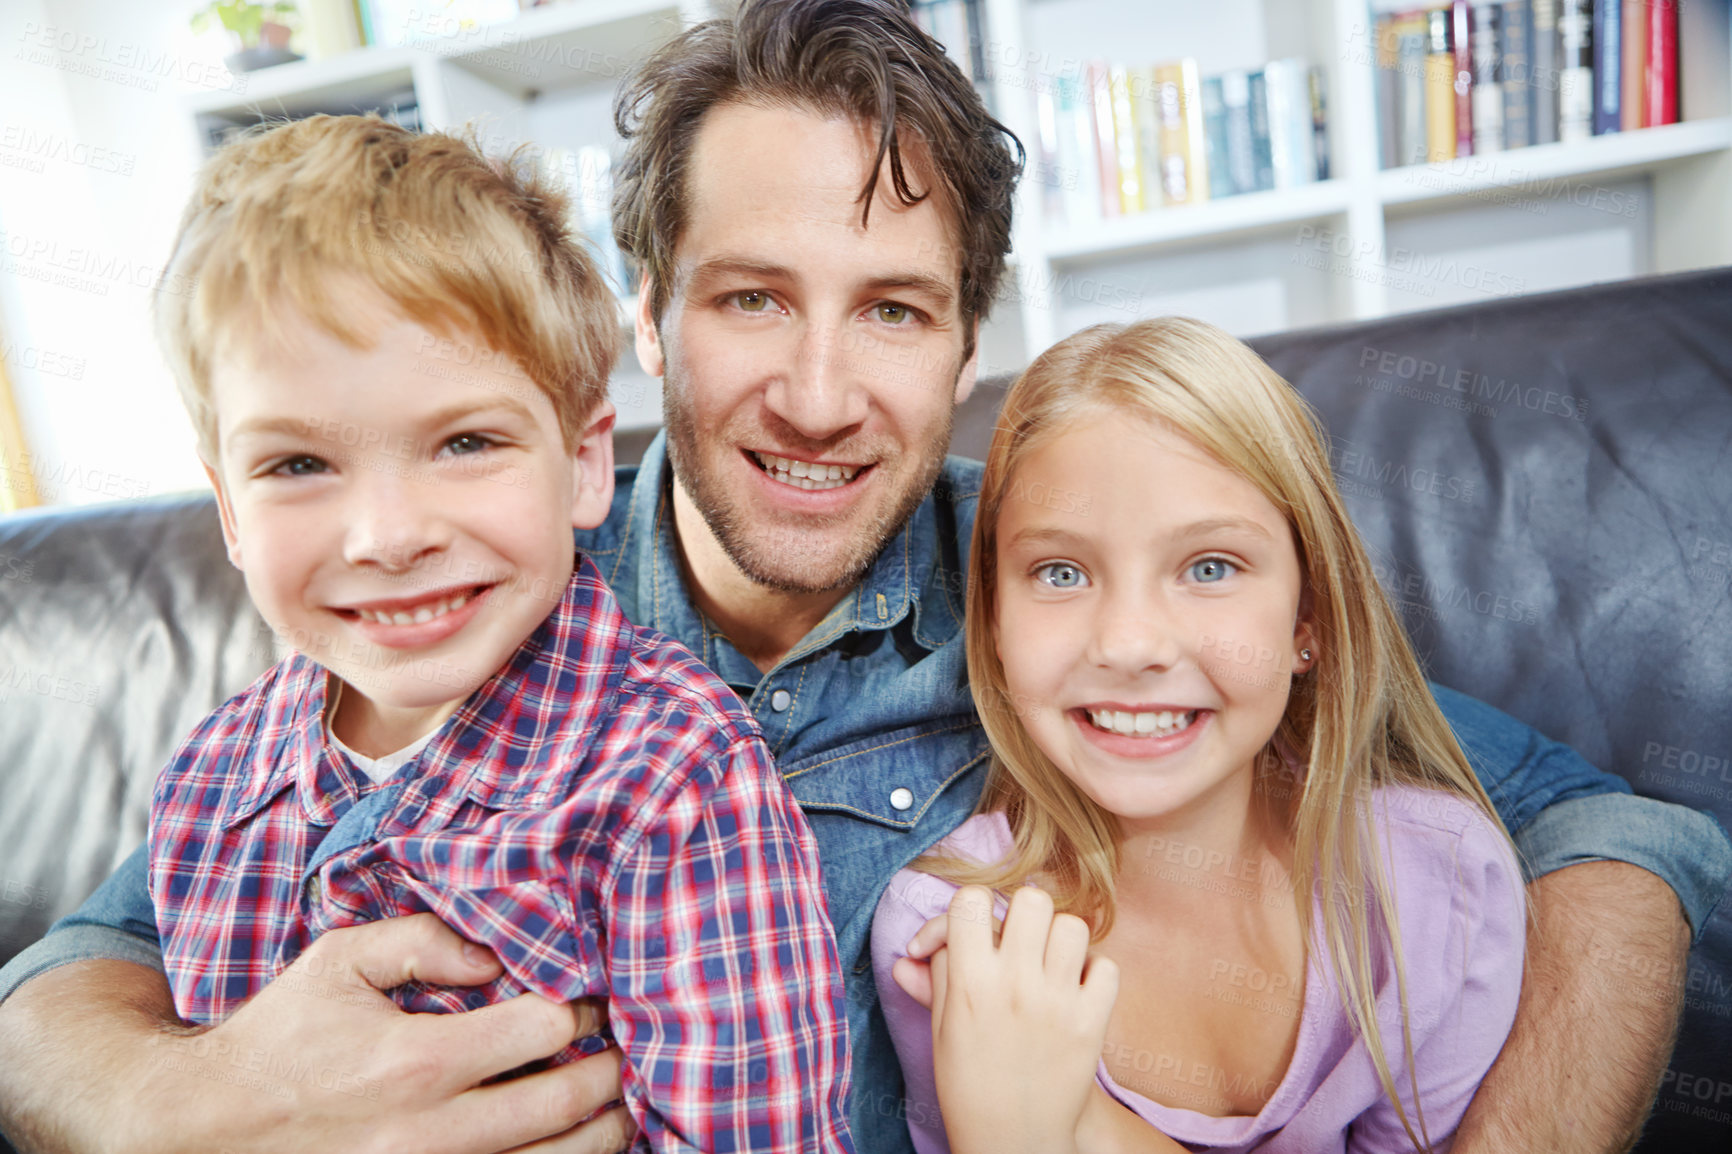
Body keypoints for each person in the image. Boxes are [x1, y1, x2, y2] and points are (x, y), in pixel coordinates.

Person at [0, 2, 1724, 1152]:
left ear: (968, 336)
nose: (818, 394)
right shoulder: (475, 593)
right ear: (646, 317)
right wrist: (198, 1094)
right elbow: (61, 981)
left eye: (890, 309)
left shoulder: (1076, 593)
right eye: (751, 295)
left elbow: (1608, 833)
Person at [140, 113, 850, 1152]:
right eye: (298, 464)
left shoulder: (670, 774)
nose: (387, 535)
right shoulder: (206, 786)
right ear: (229, 510)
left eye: (465, 442)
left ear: (582, 462)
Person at [872, 317, 1526, 1153]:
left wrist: (1081, 1128)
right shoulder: (951, 930)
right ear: (994, 624)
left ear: (1309, 617)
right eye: (1060, 573)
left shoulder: (1441, 888)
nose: (1131, 645)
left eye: (1209, 567)